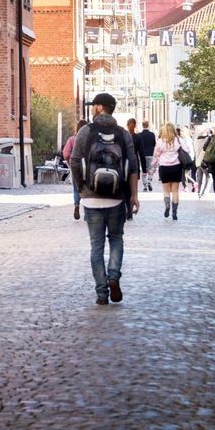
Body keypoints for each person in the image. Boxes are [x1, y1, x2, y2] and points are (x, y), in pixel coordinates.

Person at [69, 93, 140, 305]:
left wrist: (80, 188)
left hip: (91, 198)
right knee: (116, 239)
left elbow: (74, 162)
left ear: (100, 107)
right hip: (117, 197)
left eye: (94, 105)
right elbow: (133, 166)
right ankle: (113, 277)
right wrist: (134, 196)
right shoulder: (122, 134)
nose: (92, 108)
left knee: (96, 246)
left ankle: (101, 294)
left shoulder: (86, 132)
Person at [154, 122, 184, 220]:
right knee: (175, 191)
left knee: (166, 190)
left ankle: (167, 206)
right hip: (176, 167)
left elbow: (156, 155)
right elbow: (187, 149)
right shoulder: (178, 140)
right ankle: (174, 213)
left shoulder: (160, 141)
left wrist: (153, 166)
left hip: (164, 167)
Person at [63, 118, 88, 221]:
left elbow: (66, 153)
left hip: (75, 166)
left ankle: (77, 205)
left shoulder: (72, 139)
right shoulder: (89, 139)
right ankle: (87, 212)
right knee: (87, 188)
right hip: (87, 166)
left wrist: (69, 162)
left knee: (76, 188)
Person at [126, 118, 145, 220]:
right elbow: (141, 154)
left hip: (128, 164)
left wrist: (144, 169)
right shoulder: (136, 137)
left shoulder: (125, 136)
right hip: (134, 164)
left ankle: (128, 210)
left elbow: (141, 153)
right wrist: (144, 169)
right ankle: (128, 210)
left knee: (129, 189)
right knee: (131, 189)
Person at [137, 120, 157, 192]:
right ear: (148, 126)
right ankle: (149, 181)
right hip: (150, 154)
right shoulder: (152, 134)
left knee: (143, 170)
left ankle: (145, 185)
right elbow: (154, 144)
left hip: (142, 155)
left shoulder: (139, 135)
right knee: (150, 170)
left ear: (142, 126)